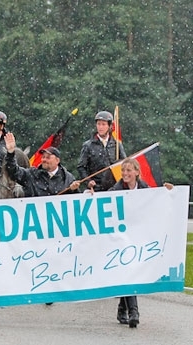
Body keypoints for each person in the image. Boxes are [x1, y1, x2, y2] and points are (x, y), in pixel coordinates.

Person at [108, 157, 173, 328]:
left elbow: (158, 201)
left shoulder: (145, 189)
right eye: (123, 170)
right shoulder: (116, 189)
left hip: (139, 237)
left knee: (130, 272)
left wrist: (168, 192)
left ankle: (123, 308)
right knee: (129, 271)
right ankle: (133, 312)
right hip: (122, 238)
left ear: (137, 172)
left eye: (129, 170)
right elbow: (104, 202)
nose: (125, 173)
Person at [4, 133, 81, 196]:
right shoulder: (32, 175)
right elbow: (13, 171)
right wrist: (10, 153)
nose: (44, 160)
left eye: (48, 157)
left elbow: (77, 202)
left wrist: (74, 190)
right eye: (43, 157)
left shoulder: (68, 178)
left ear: (57, 160)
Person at [77, 111, 127, 192]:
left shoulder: (117, 144)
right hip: (96, 188)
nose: (100, 127)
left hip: (115, 187)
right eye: (98, 124)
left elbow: (125, 164)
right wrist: (88, 181)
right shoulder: (88, 145)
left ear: (110, 126)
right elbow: (81, 167)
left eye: (103, 124)